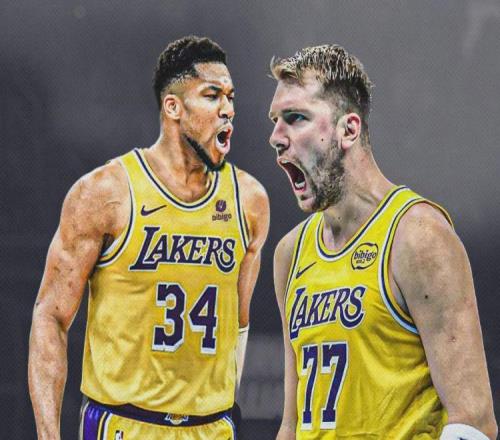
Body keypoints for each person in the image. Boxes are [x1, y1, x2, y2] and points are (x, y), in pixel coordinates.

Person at [28, 35, 269, 440]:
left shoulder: (249, 200)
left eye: (231, 98)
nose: (228, 110)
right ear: (173, 107)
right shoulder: (105, 193)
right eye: (212, 96)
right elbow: (51, 316)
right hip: (123, 423)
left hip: (210, 427)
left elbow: (239, 326)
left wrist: (225, 409)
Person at [268, 44, 497, 440]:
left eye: (295, 118)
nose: (275, 137)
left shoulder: (418, 236)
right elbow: (292, 424)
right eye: (275, 121)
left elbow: (474, 421)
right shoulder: (290, 253)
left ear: (348, 130)